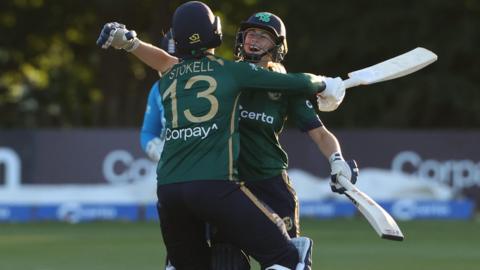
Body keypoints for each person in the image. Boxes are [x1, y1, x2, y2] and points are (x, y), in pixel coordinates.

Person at [98, 2, 350, 269]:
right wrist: (324, 83)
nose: (254, 40)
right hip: (227, 184)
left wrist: (337, 160)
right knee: (239, 261)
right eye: (251, 33)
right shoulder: (228, 71)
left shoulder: (254, 80)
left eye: (263, 35)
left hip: (267, 181)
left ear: (278, 46)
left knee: (279, 256)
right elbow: (168, 62)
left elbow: (320, 133)